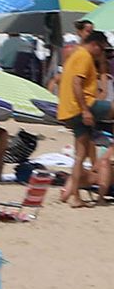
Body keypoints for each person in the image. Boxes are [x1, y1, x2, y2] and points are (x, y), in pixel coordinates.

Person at [58, 27, 106, 204]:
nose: (101, 53)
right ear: (94, 45)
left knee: (80, 154)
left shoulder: (75, 54)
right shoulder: (84, 56)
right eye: (101, 49)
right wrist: (86, 110)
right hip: (82, 106)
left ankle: (76, 197)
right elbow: (76, 83)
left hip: (69, 110)